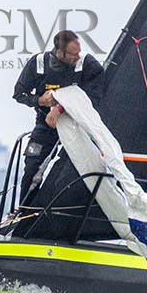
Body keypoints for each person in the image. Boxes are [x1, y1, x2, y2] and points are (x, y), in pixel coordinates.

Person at [11, 30, 105, 203]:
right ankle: (24, 212)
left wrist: (60, 108)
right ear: (59, 52)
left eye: (78, 52)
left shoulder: (88, 64)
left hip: (79, 125)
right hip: (46, 125)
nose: (77, 57)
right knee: (32, 167)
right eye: (72, 54)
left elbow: (94, 95)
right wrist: (40, 100)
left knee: (81, 168)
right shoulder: (38, 63)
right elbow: (19, 94)